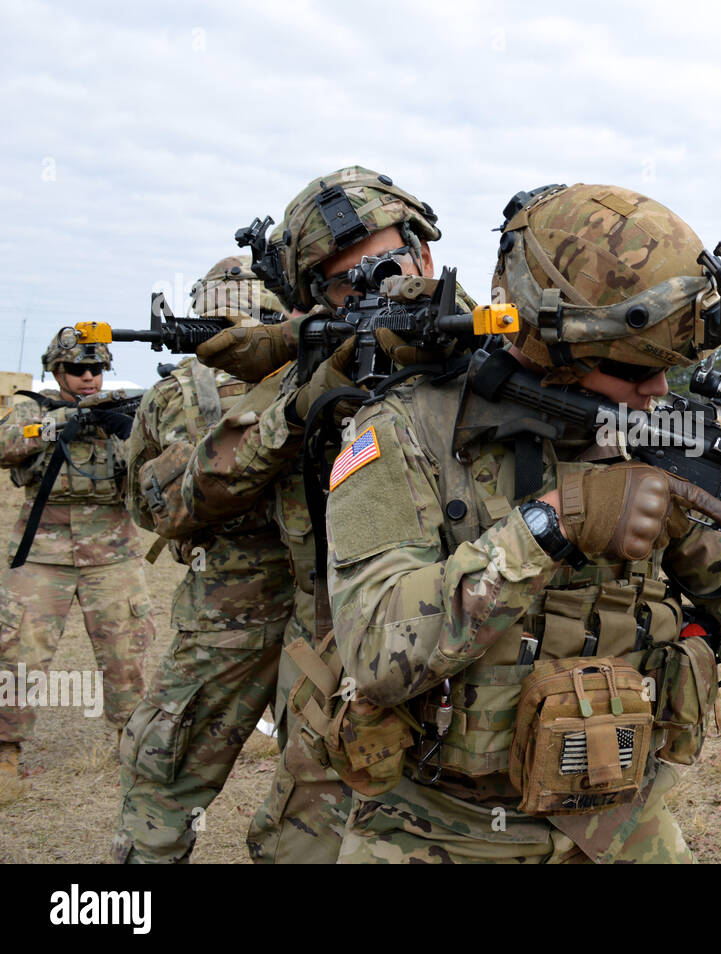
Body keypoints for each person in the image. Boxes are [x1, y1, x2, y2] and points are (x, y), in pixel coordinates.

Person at [322, 183, 721, 863]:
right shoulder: (402, 432)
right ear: (548, 341)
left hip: (621, 828)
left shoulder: (663, 435)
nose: (659, 392)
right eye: (634, 369)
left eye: (671, 369)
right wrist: (556, 523)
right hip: (434, 828)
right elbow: (375, 646)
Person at [182, 166, 472, 862]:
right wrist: (308, 396)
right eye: (348, 281)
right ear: (317, 301)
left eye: (389, 262)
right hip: (336, 672)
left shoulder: (497, 343)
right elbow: (199, 489)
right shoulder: (315, 370)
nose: (377, 284)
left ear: (425, 256)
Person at [111, 256, 296, 862]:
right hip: (331, 608)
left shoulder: (170, 395)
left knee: (167, 781)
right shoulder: (330, 379)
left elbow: (142, 506)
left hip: (224, 614)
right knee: (331, 781)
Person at [0, 332, 154, 779]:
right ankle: (6, 748)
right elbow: (6, 443)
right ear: (56, 371)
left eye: (96, 369)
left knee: (127, 651)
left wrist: (127, 432)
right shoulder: (32, 406)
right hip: (43, 552)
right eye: (76, 370)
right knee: (18, 652)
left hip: (112, 551)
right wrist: (57, 425)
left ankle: (130, 740)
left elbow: (154, 462)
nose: (88, 377)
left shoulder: (120, 408)